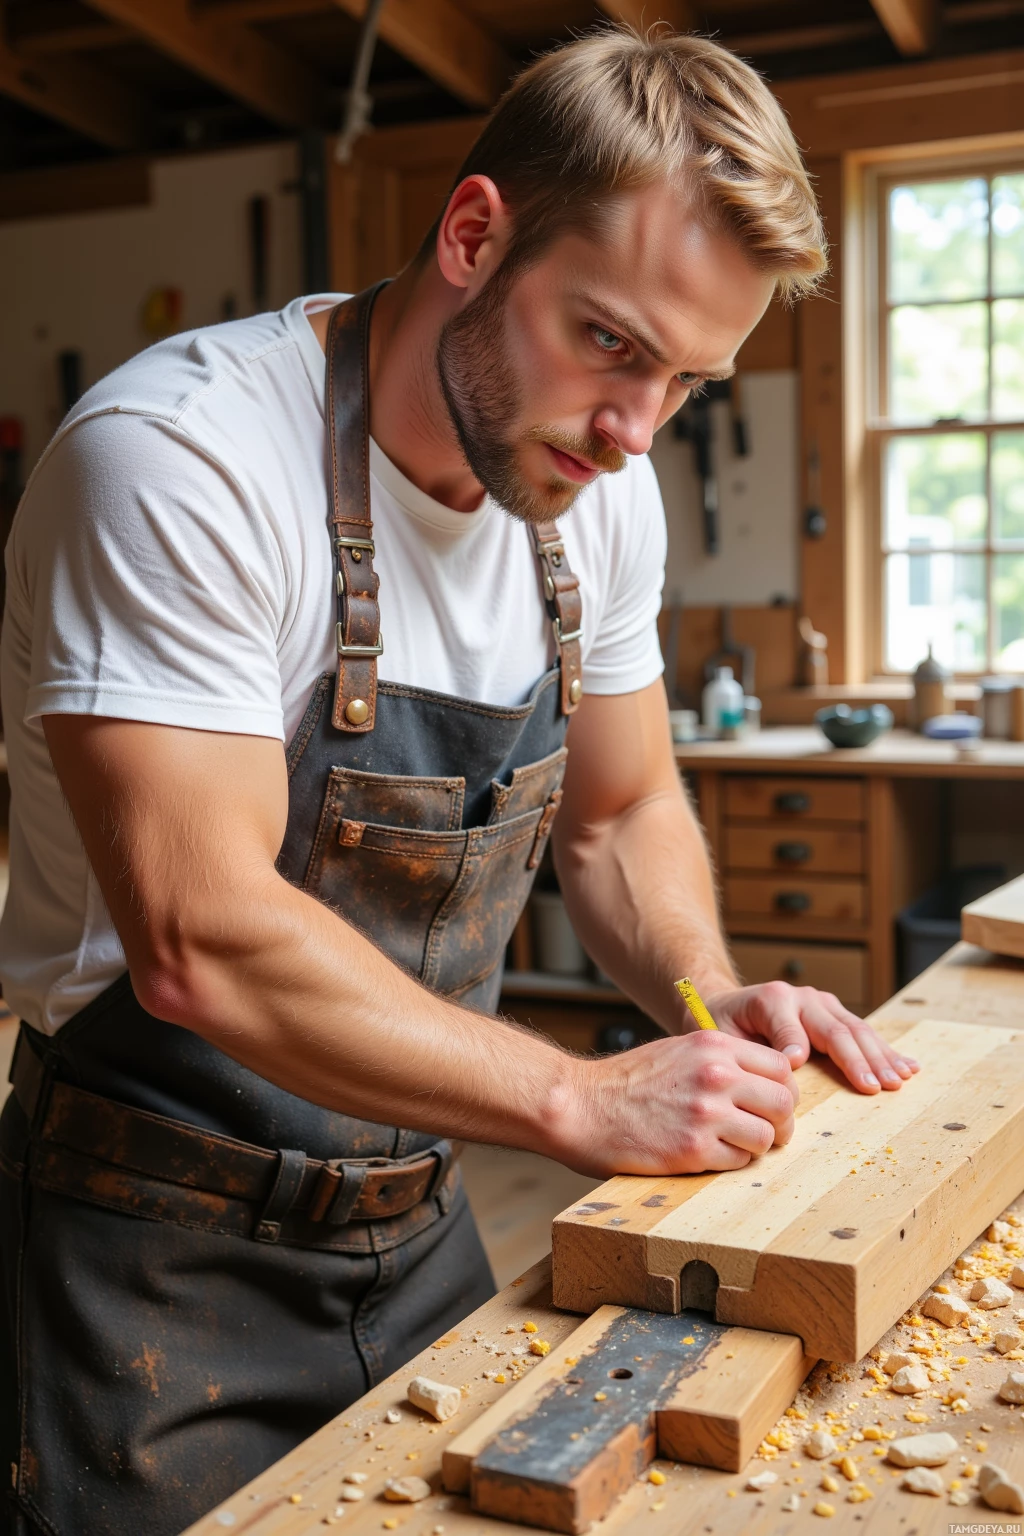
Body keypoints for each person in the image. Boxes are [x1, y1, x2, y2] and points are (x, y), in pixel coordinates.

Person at [0, 27, 918, 1536]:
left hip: (415, 1230)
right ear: (476, 234)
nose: (635, 433)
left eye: (689, 379)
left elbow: (621, 814)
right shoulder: (184, 462)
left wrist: (700, 1002)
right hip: (143, 1258)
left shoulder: (593, 498)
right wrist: (574, 1096)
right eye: (611, 343)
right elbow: (199, 935)